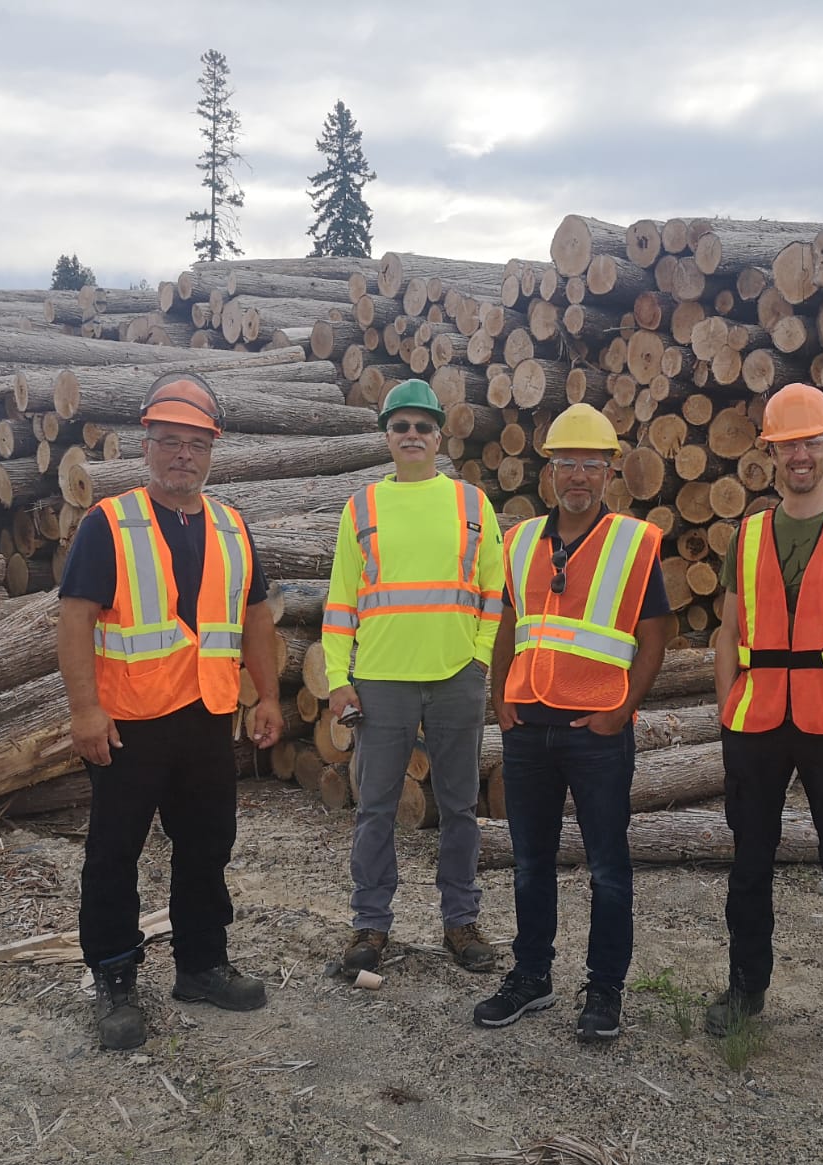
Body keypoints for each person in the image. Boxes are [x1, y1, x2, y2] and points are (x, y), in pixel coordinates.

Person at [57, 371, 282, 1052]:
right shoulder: (109, 523)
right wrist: (85, 711)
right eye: (170, 442)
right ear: (146, 446)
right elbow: (74, 622)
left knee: (207, 846)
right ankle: (116, 978)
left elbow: (254, 621)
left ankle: (203, 964)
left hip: (208, 717)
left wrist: (269, 693)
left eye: (196, 444)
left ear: (212, 450)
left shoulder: (231, 524)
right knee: (113, 854)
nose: (183, 455)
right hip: (129, 722)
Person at [704, 383, 823, 1071]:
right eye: (788, 444)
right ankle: (744, 989)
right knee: (748, 865)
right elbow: (728, 631)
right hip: (756, 720)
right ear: (771, 452)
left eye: (812, 442)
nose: (800, 455)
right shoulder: (749, 533)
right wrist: (728, 707)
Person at [470, 405, 670, 1042]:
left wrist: (622, 709)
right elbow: (509, 622)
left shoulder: (634, 543)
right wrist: (499, 697)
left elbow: (655, 632)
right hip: (528, 725)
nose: (577, 476)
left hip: (596, 731)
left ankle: (604, 989)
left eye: (590, 464)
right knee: (531, 862)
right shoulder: (522, 539)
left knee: (608, 867)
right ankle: (532, 976)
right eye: (565, 464)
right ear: (548, 470)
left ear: (611, 471)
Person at [323, 378, 506, 976]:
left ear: (439, 436)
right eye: (400, 426)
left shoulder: (473, 505)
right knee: (375, 808)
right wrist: (337, 678)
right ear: (386, 436)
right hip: (380, 679)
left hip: (456, 676)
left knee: (458, 807)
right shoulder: (363, 508)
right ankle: (370, 926)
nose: (411, 435)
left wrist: (478, 658)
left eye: (422, 426)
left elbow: (492, 592)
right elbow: (341, 601)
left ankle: (461, 922)